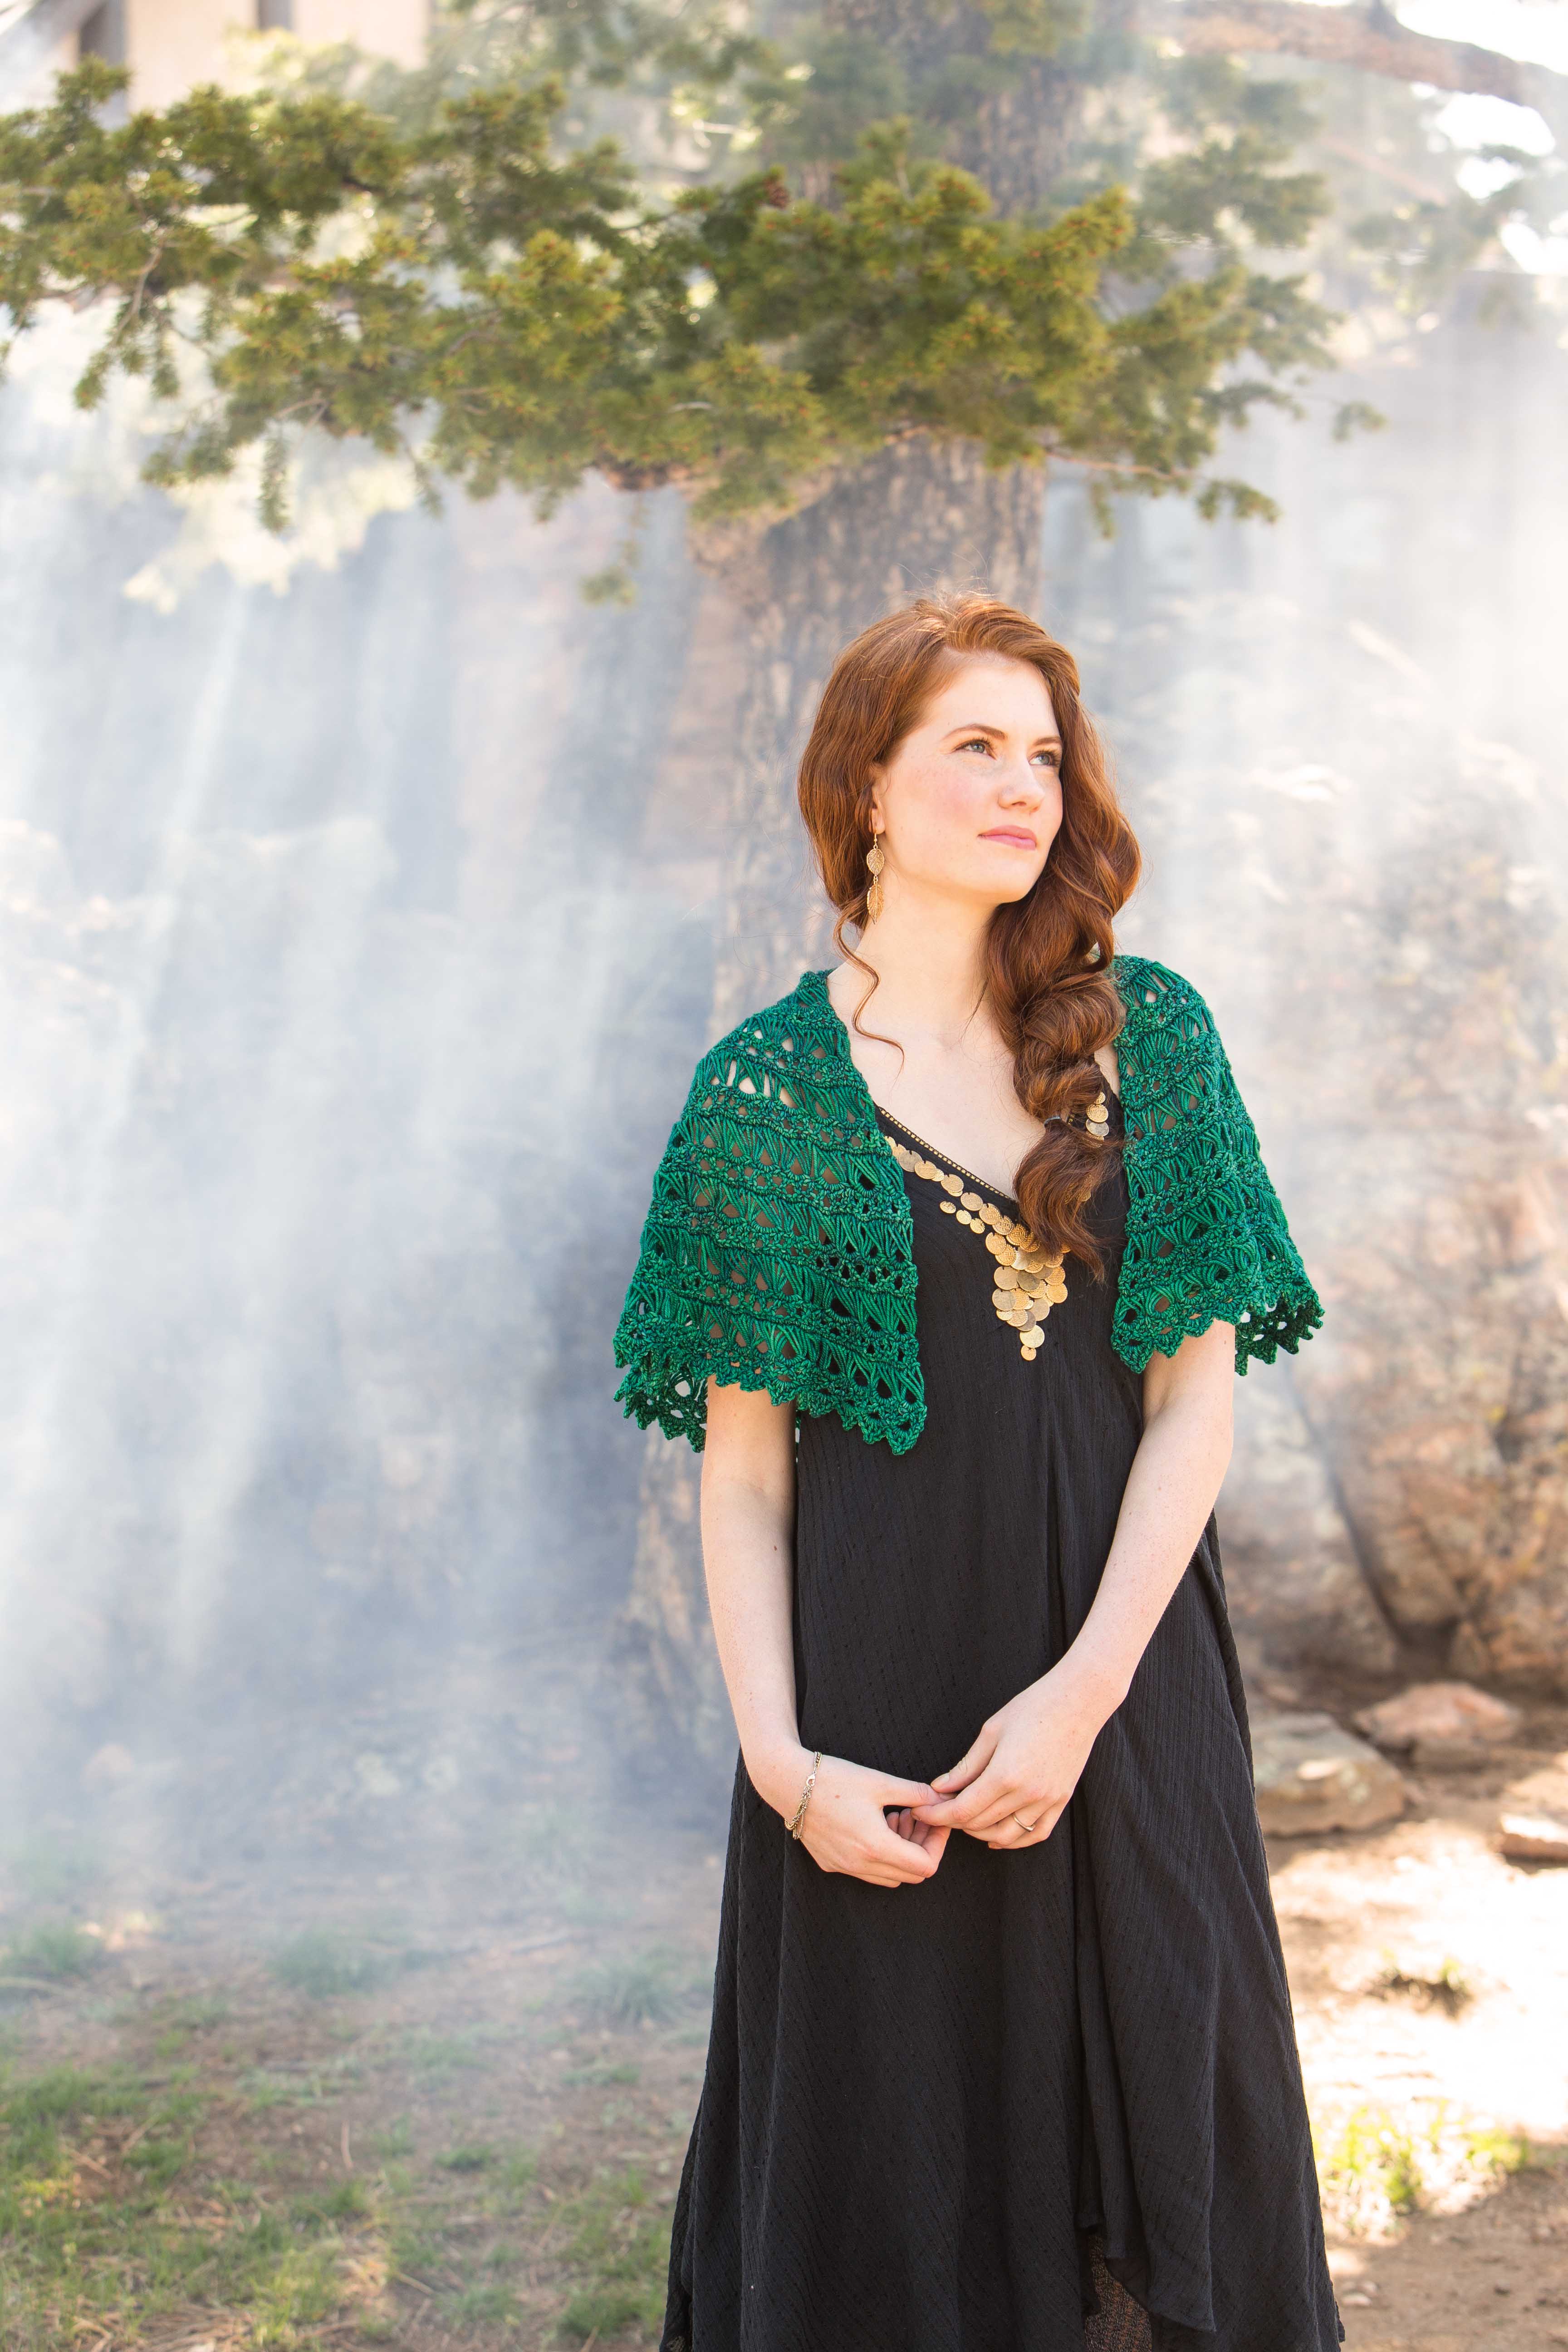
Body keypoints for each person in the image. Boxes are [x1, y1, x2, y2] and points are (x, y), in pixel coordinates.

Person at [614, 593, 1342, 2352]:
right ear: (865, 787)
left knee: (1176, 2146)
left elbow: (1193, 1403)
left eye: (1044, 756)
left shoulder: (1146, 1038)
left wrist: (1082, 1700)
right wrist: (788, 1771)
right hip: (878, 1727)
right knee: (897, 2184)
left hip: (1129, 1696)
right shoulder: (769, 1096)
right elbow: (745, 1478)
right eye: (974, 748)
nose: (1026, 787)